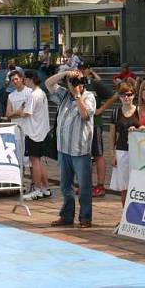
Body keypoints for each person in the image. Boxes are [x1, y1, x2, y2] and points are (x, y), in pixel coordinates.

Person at [46, 69, 96, 229]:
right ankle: (67, 216)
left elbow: (85, 115)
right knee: (65, 186)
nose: (76, 84)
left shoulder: (89, 96)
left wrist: (77, 94)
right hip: (63, 149)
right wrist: (66, 73)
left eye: (79, 81)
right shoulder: (63, 95)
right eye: (73, 81)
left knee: (84, 186)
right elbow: (48, 83)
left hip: (80, 150)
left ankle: (85, 217)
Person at [80, 63, 119, 198]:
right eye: (78, 70)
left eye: (82, 70)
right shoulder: (76, 85)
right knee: (84, 156)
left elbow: (113, 95)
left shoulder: (94, 84)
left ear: (88, 71)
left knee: (98, 154)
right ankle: (86, 184)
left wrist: (101, 110)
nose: (80, 72)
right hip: (80, 126)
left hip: (94, 124)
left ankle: (100, 185)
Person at [12, 71, 52, 200]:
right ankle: (45, 188)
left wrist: (17, 112)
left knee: (34, 162)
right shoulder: (42, 93)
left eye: (25, 80)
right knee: (39, 161)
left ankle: (37, 189)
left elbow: (26, 113)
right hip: (42, 131)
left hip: (34, 132)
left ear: (30, 80)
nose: (24, 82)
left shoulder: (33, 95)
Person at [109, 83, 140, 211]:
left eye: (129, 94)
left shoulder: (139, 111)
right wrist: (112, 154)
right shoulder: (116, 112)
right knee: (124, 187)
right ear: (119, 97)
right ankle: (126, 215)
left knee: (137, 185)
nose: (126, 97)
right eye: (123, 95)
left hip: (138, 152)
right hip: (121, 151)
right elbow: (112, 135)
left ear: (133, 95)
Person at [5, 70, 33, 176]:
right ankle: (21, 183)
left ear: (22, 79)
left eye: (16, 79)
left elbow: (27, 113)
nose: (15, 82)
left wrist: (17, 113)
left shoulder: (30, 92)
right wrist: (17, 112)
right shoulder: (11, 96)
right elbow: (8, 114)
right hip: (16, 131)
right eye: (12, 80)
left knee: (30, 161)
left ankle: (34, 184)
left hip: (29, 131)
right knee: (18, 159)